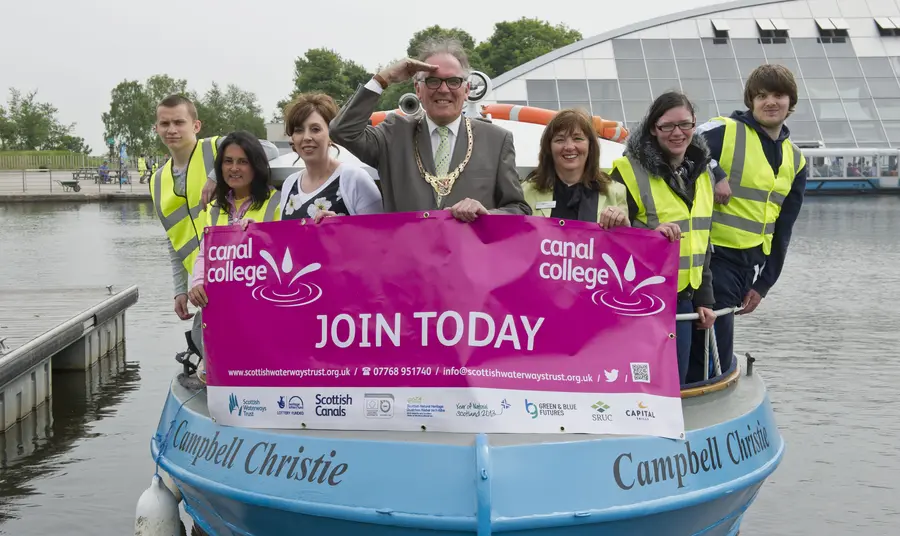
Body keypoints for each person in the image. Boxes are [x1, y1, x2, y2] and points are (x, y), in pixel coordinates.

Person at [329, 37, 531, 221]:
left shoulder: (496, 140)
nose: (443, 89)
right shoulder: (393, 134)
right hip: (408, 259)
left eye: (454, 81)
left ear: (467, 90)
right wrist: (383, 79)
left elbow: (519, 209)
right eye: (433, 81)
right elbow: (342, 131)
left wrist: (485, 213)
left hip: (470, 259)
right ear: (418, 89)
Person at [695, 64, 807, 374]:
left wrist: (765, 283)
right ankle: (708, 392)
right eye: (761, 96)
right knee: (713, 346)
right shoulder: (725, 130)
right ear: (751, 101)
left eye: (779, 95)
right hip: (712, 257)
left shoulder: (796, 159)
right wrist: (716, 173)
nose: (770, 102)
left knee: (717, 343)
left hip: (751, 265)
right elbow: (681, 140)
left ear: (791, 102)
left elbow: (784, 227)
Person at [151, 94, 280, 352]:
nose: (172, 130)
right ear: (157, 128)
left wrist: (213, 175)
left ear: (196, 126)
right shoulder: (157, 180)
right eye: (165, 124)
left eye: (179, 122)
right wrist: (181, 290)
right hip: (208, 288)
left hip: (250, 281)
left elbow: (268, 150)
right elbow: (174, 239)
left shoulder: (214, 148)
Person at [609, 91, 717, 386]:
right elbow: (608, 239)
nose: (677, 133)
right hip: (639, 304)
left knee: (675, 388)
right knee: (642, 389)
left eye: (685, 124)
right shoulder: (627, 172)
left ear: (694, 125)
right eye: (667, 126)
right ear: (653, 128)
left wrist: (704, 297)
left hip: (684, 298)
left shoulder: (703, 175)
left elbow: (702, 242)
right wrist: (650, 237)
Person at [187, 131, 282, 310]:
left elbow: (287, 255)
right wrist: (198, 282)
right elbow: (205, 253)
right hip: (225, 308)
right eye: (228, 161)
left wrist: (261, 238)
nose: (234, 168)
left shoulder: (278, 202)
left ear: (256, 166)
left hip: (264, 306)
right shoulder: (214, 209)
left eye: (243, 162)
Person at [278, 93, 383, 221]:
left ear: (331, 134)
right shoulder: (289, 184)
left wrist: (341, 228)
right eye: (299, 130)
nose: (306, 137)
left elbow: (378, 235)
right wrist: (255, 231)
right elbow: (283, 239)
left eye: (315, 129)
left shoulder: (355, 180)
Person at [521, 108, 629, 228]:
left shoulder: (615, 192)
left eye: (578, 138)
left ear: (590, 146)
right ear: (549, 148)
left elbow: (622, 242)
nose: (569, 147)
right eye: (560, 140)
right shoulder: (526, 191)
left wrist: (624, 225)